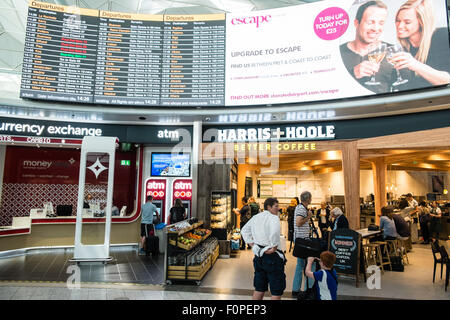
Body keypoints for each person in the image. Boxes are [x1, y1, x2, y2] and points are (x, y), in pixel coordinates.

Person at [391, 0, 450, 89]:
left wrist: (415, 65)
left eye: (407, 22)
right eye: (398, 20)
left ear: (422, 22)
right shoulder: (403, 49)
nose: (399, 26)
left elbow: (447, 80)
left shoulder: (442, 36)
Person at [339, 0, 394, 93]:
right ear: (356, 23)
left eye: (381, 23)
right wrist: (353, 74)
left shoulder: (393, 52)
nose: (375, 29)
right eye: (370, 22)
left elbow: (407, 88)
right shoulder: (338, 53)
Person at [241, 197, 287, 300]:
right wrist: (274, 246)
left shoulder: (256, 217)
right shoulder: (273, 217)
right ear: (269, 207)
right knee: (276, 291)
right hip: (272, 256)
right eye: (276, 206)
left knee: (259, 288)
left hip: (259, 255)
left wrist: (253, 245)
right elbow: (275, 231)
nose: (278, 208)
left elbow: (244, 230)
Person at [292, 191, 316, 297]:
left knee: (301, 265)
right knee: (309, 264)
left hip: (301, 240)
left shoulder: (301, 208)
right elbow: (298, 222)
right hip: (302, 241)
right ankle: (307, 288)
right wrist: (308, 217)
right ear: (308, 199)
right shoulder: (301, 208)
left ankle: (296, 289)